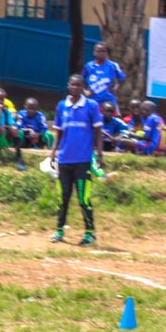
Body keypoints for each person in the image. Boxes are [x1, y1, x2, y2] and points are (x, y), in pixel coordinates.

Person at [49, 74, 102, 247]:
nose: (75, 87)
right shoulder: (62, 106)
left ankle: (90, 233)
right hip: (64, 160)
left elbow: (98, 132)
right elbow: (59, 132)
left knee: (83, 198)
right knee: (63, 197)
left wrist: (99, 154)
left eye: (79, 85)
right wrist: (53, 152)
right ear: (68, 86)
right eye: (73, 84)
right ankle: (59, 230)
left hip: (83, 160)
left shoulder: (91, 106)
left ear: (82, 87)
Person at [81, 42, 125, 106]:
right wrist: (84, 91)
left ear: (106, 53)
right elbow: (81, 80)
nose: (101, 53)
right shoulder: (88, 66)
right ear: (94, 52)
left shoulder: (112, 65)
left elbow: (122, 78)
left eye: (103, 51)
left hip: (109, 101)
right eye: (98, 51)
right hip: (93, 101)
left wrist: (116, 88)